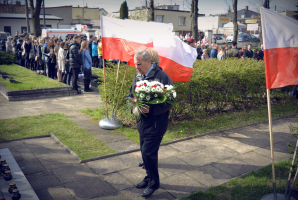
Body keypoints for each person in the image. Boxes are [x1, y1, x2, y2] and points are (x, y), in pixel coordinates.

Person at [126, 49, 173, 198]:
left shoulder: (162, 77)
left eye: (139, 64)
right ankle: (149, 177)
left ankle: (154, 183)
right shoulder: (138, 77)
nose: (136, 67)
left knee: (149, 153)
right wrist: (133, 107)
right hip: (142, 124)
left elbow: (171, 100)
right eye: (135, 64)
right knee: (144, 154)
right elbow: (129, 96)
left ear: (148, 61)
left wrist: (151, 109)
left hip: (156, 124)